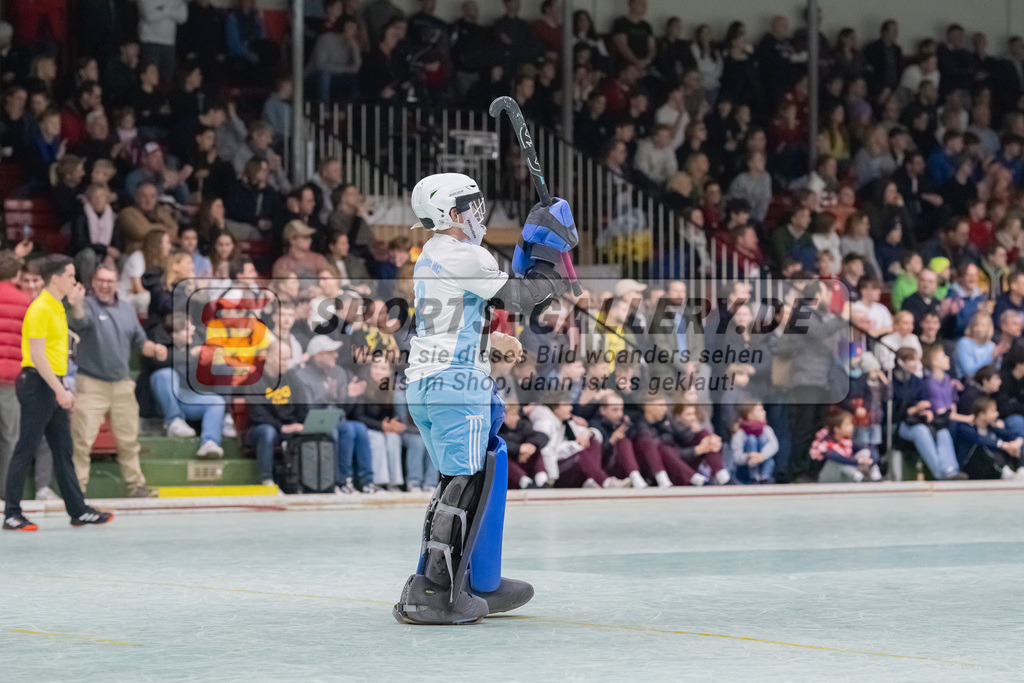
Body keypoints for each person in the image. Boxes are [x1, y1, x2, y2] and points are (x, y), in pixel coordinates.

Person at [395, 172, 577, 625]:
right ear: (453, 214)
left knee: (455, 483)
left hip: (427, 383)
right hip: (458, 384)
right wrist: (550, 252)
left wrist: (532, 249)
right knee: (467, 487)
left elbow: (482, 303)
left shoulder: (432, 255)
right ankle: (438, 592)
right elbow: (525, 297)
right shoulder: (464, 254)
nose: (481, 212)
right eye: (473, 205)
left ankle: (469, 580)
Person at [4, 255, 114, 531]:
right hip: (38, 383)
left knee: (63, 450)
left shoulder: (57, 307)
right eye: (70, 276)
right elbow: (38, 356)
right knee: (25, 448)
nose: (74, 281)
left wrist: (60, 386)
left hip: (51, 382)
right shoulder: (40, 308)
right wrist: (59, 389)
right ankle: (12, 513)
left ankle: (78, 510)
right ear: (56, 278)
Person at [68, 265, 166, 497]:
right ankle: (77, 489)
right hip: (91, 383)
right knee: (81, 441)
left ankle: (136, 486)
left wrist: (156, 348)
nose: (105, 285)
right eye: (101, 280)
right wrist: (78, 304)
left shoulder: (127, 309)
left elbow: (140, 342)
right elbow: (80, 322)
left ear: (117, 283)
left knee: (129, 440)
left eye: (110, 281)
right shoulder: (88, 305)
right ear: (94, 282)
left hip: (122, 384)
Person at [0, 251, 32, 497]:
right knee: (10, 438)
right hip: (10, 380)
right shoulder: (25, 301)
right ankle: (6, 495)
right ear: (17, 274)